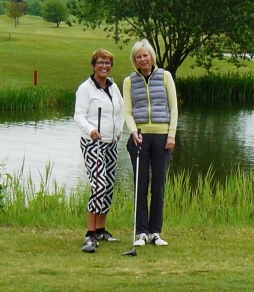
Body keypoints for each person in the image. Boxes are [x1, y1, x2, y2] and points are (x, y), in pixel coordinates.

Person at [123, 39, 178, 246]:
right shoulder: (129, 81)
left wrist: (171, 134)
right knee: (141, 184)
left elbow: (173, 107)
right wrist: (133, 131)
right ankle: (142, 232)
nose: (143, 59)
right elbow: (128, 111)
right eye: (138, 57)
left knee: (158, 185)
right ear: (134, 60)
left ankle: (156, 232)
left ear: (152, 57)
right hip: (139, 137)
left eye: (145, 55)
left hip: (162, 136)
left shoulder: (165, 76)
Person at [74, 48, 125, 252]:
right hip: (93, 143)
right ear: (94, 65)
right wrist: (91, 130)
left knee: (109, 186)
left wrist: (120, 130)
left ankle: (102, 229)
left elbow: (120, 111)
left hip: (111, 143)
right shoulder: (85, 88)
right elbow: (78, 116)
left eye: (108, 63)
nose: (104, 66)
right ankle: (90, 233)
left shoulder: (113, 87)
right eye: (100, 63)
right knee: (99, 185)